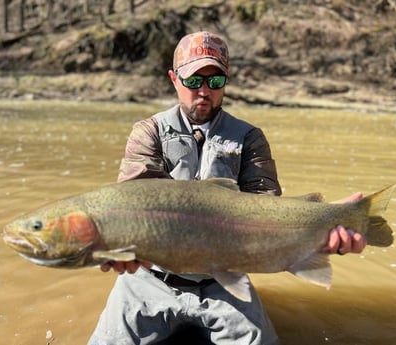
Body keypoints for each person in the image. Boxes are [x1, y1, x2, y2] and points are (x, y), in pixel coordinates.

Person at [88, 31, 367, 345]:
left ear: (226, 82)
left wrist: (322, 227)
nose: (204, 91)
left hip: (223, 282)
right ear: (174, 78)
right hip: (149, 280)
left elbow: (267, 214)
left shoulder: (250, 137)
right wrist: (121, 250)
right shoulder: (148, 132)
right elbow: (132, 209)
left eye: (215, 81)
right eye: (194, 81)